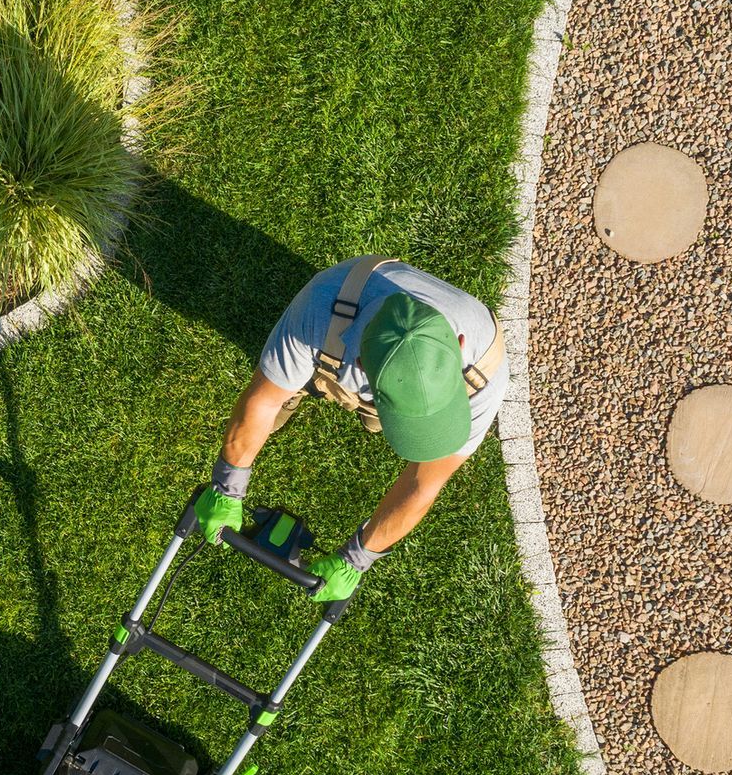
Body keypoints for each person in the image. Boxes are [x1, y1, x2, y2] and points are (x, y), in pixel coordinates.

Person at [194, 255, 509, 601]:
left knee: (379, 422)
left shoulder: (485, 370)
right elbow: (262, 402)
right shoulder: (320, 308)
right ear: (361, 367)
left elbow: (423, 484)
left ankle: (374, 410)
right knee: (282, 386)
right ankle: (310, 382)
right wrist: (228, 486)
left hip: (368, 366)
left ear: (459, 345)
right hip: (337, 338)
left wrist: (356, 559)